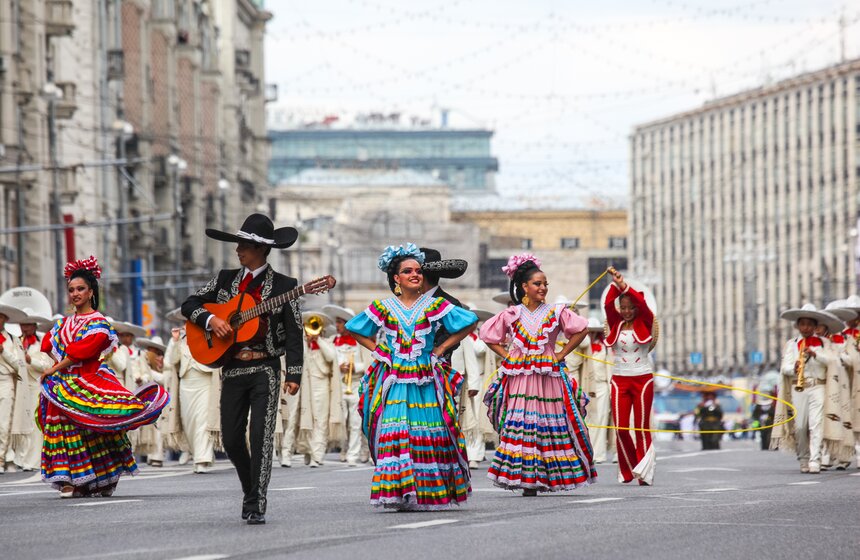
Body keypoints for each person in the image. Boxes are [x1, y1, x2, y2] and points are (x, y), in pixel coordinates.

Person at [182, 214, 303, 525]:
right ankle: (251, 487)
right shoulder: (225, 280)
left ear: (261, 249)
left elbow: (294, 333)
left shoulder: (286, 286)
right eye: (237, 244)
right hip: (232, 367)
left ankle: (256, 501)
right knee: (232, 439)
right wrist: (211, 320)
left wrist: (294, 374)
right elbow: (190, 304)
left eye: (244, 245)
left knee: (261, 436)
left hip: (266, 369)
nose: (238, 250)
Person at [346, 243, 477, 510]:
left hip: (426, 378)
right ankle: (400, 491)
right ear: (396, 278)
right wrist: (379, 350)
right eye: (408, 271)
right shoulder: (384, 306)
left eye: (418, 271)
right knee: (396, 431)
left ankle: (426, 492)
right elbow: (354, 328)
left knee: (428, 433)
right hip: (395, 379)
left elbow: (469, 321)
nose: (415, 275)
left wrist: (441, 348)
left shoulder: (434, 305)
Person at [38, 256, 169, 497]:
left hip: (88, 380)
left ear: (91, 292)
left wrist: (54, 369)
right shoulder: (62, 323)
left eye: (80, 289)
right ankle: (69, 480)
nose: (75, 294)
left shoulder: (99, 323)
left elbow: (81, 352)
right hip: (64, 384)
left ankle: (96, 479)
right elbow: (48, 345)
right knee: (63, 429)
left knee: (95, 429)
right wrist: (56, 369)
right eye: (71, 290)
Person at [480, 254, 596, 496]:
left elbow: (581, 329)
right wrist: (507, 355)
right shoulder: (512, 313)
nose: (543, 288)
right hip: (521, 378)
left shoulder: (555, 312)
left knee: (546, 424)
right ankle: (527, 479)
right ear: (524, 286)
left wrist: (561, 353)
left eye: (545, 284)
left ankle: (546, 477)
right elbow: (489, 335)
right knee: (523, 424)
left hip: (548, 378)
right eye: (537, 283)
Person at [604, 266, 658, 485]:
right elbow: (608, 304)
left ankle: (645, 472)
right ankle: (630, 468)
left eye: (630, 308)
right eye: (623, 308)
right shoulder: (615, 323)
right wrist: (616, 286)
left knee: (641, 427)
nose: (626, 311)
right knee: (621, 428)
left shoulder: (645, 320)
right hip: (619, 380)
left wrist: (624, 285)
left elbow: (644, 306)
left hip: (642, 379)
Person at [771, 304, 835, 473]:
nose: (805, 327)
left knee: (816, 424)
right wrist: (794, 367)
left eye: (809, 324)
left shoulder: (824, 343)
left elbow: (831, 362)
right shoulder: (792, 344)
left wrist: (815, 354)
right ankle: (803, 457)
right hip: (798, 387)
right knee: (800, 426)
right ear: (798, 326)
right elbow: (784, 368)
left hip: (818, 386)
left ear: (815, 326)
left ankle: (815, 459)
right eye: (802, 324)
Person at [164, 308, 221, 474]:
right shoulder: (178, 340)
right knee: (188, 421)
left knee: (202, 419)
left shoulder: (208, 335)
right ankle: (198, 455)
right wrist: (175, 342)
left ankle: (202, 458)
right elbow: (171, 361)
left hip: (204, 380)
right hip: (186, 382)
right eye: (185, 322)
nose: (186, 325)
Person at [322, 304, 372, 466]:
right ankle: (344, 449)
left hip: (356, 385)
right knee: (341, 421)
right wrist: (338, 367)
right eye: (336, 322)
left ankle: (354, 454)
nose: (337, 325)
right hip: (339, 386)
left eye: (340, 322)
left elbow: (367, 364)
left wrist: (354, 367)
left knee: (356, 423)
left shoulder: (359, 342)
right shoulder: (332, 341)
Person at [296, 311, 343, 468]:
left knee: (321, 421)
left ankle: (317, 454)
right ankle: (309, 451)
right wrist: (306, 341)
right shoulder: (303, 344)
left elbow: (331, 357)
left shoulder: (326, 343)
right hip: (305, 387)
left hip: (321, 386)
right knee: (306, 420)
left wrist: (318, 340)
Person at [17, 316, 53, 471]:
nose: (24, 328)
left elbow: (46, 366)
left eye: (27, 325)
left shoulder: (40, 344)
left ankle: (34, 460)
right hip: (20, 385)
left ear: (34, 326)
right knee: (21, 422)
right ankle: (21, 458)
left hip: (35, 387)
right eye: (22, 325)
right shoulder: (16, 341)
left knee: (34, 423)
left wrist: (30, 360)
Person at [581, 317, 614, 464]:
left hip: (602, 387)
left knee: (601, 419)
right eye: (589, 332)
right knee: (587, 421)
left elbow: (609, 369)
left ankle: (598, 454)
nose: (591, 335)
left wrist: (611, 390)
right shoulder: (581, 348)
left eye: (594, 332)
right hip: (587, 386)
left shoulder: (605, 348)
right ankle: (587, 453)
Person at [0, 303, 25, 473]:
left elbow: (19, 365)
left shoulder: (13, 339)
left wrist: (3, 351)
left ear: (6, 319)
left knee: (4, 423)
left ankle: (1, 459)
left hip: (5, 381)